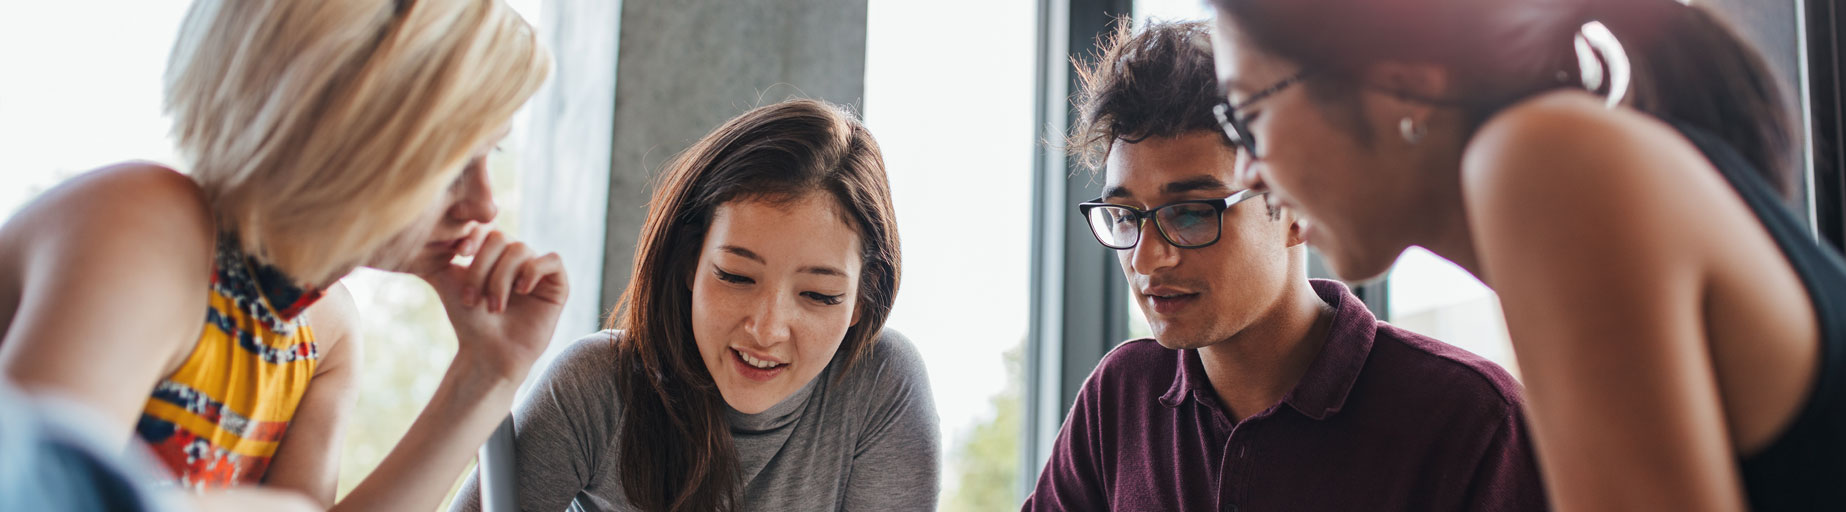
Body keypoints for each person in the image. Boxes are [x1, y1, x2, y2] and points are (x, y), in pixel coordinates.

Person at [1207, 0, 1846, 509]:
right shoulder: (1570, 161)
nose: (1244, 171)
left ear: (1405, 82)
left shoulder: (1546, 161)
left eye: (1249, 114)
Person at [0, 0, 562, 509]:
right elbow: (41, 494)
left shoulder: (325, 332)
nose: (485, 205)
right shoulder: (146, 224)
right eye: (455, 160)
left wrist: (490, 372)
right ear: (338, 133)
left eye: (494, 153)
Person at [1023, 19, 1544, 511]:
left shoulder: (1470, 418)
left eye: (1189, 213)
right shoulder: (1120, 395)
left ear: (1292, 204)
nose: (1146, 257)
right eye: (1126, 215)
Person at [451, 99, 939, 512]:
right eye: (735, 276)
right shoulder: (597, 386)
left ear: (861, 298)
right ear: (688, 261)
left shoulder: (881, 386)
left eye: (817, 295)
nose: (767, 330)